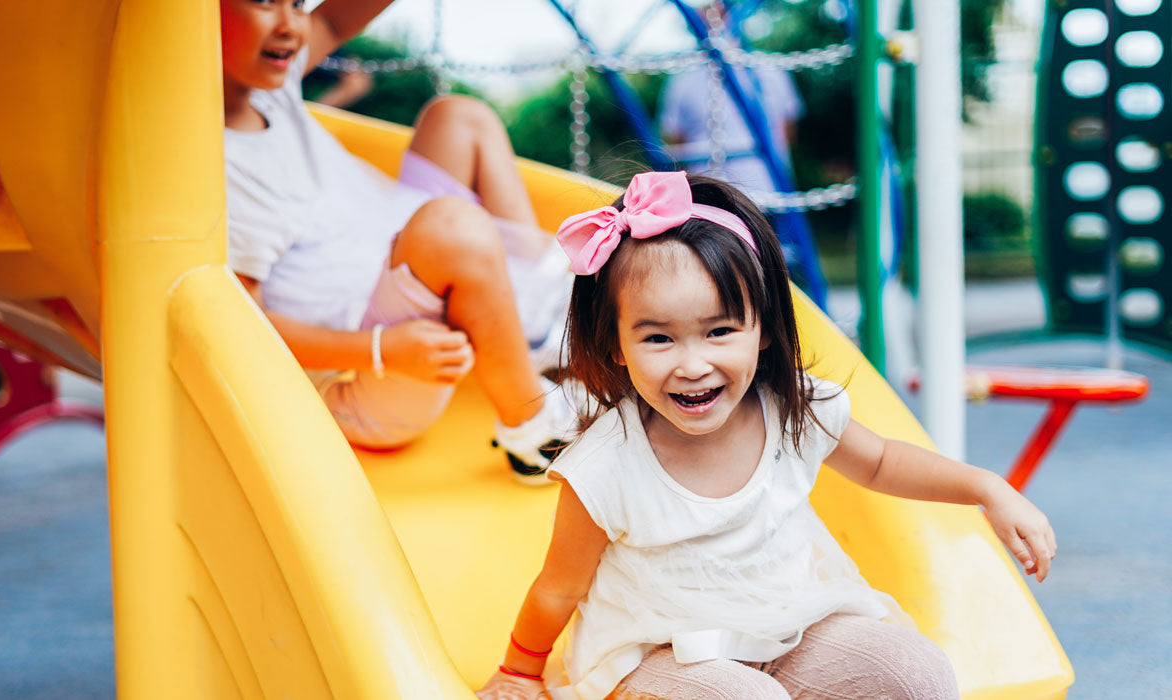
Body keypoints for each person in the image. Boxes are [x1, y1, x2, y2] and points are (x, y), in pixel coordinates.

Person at [476, 171, 1057, 700]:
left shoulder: (792, 408)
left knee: (914, 674)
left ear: (764, 332)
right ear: (615, 349)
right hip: (660, 657)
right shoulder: (606, 465)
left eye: (720, 330)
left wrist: (986, 488)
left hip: (789, 626)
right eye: (658, 339)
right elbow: (558, 587)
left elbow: (880, 462)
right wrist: (519, 672)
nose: (693, 363)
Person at [219, 0, 576, 480]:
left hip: (396, 249)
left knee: (457, 118)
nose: (290, 24)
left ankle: (543, 311)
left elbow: (330, 20)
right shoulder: (218, 166)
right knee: (451, 226)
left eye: (296, 3)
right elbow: (243, 328)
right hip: (371, 369)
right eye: (264, 2)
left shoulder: (268, 87)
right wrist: (383, 349)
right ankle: (534, 429)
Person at [659, 5, 802, 196]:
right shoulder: (683, 79)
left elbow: (787, 131)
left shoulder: (769, 71)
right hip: (709, 197)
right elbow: (675, 141)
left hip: (765, 192)